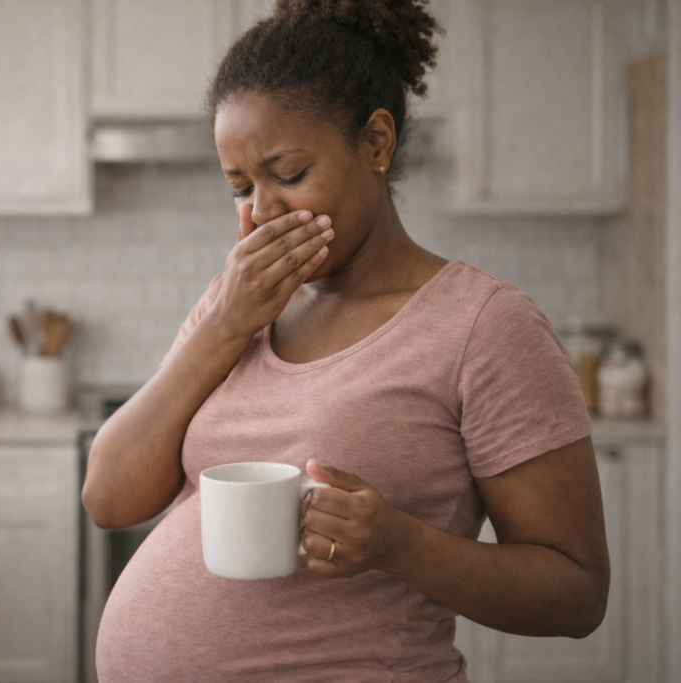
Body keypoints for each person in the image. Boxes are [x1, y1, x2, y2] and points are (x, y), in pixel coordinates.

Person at [81, 0, 611, 680]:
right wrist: (225, 323)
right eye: (240, 187)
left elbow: (576, 593)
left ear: (377, 143)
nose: (262, 212)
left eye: (288, 175)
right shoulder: (236, 304)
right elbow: (108, 497)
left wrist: (398, 544)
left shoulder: (483, 326)